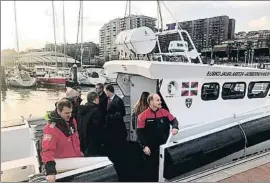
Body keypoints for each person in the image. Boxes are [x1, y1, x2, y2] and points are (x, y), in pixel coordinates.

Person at [136, 93, 179, 182]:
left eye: (160, 100)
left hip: (163, 146)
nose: (160, 102)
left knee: (170, 167)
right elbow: (139, 133)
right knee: (152, 172)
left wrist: (175, 127)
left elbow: (174, 120)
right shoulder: (142, 116)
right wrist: (144, 146)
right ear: (151, 102)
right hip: (150, 149)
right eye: (158, 100)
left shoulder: (164, 112)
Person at [41, 99, 83, 182]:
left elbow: (75, 139)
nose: (70, 115)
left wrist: (79, 153)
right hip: (63, 167)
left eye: (70, 112)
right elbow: (47, 151)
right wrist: (50, 172)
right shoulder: (50, 129)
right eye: (66, 113)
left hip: (76, 162)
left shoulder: (72, 121)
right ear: (59, 111)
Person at [104, 84, 129, 181]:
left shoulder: (118, 100)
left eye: (106, 91)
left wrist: (109, 117)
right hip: (112, 128)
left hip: (117, 128)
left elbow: (122, 114)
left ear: (109, 91)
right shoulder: (108, 100)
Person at [78, 91, 105, 156]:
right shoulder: (96, 110)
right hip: (92, 140)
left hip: (83, 137)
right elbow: (98, 126)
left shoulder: (82, 109)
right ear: (95, 99)